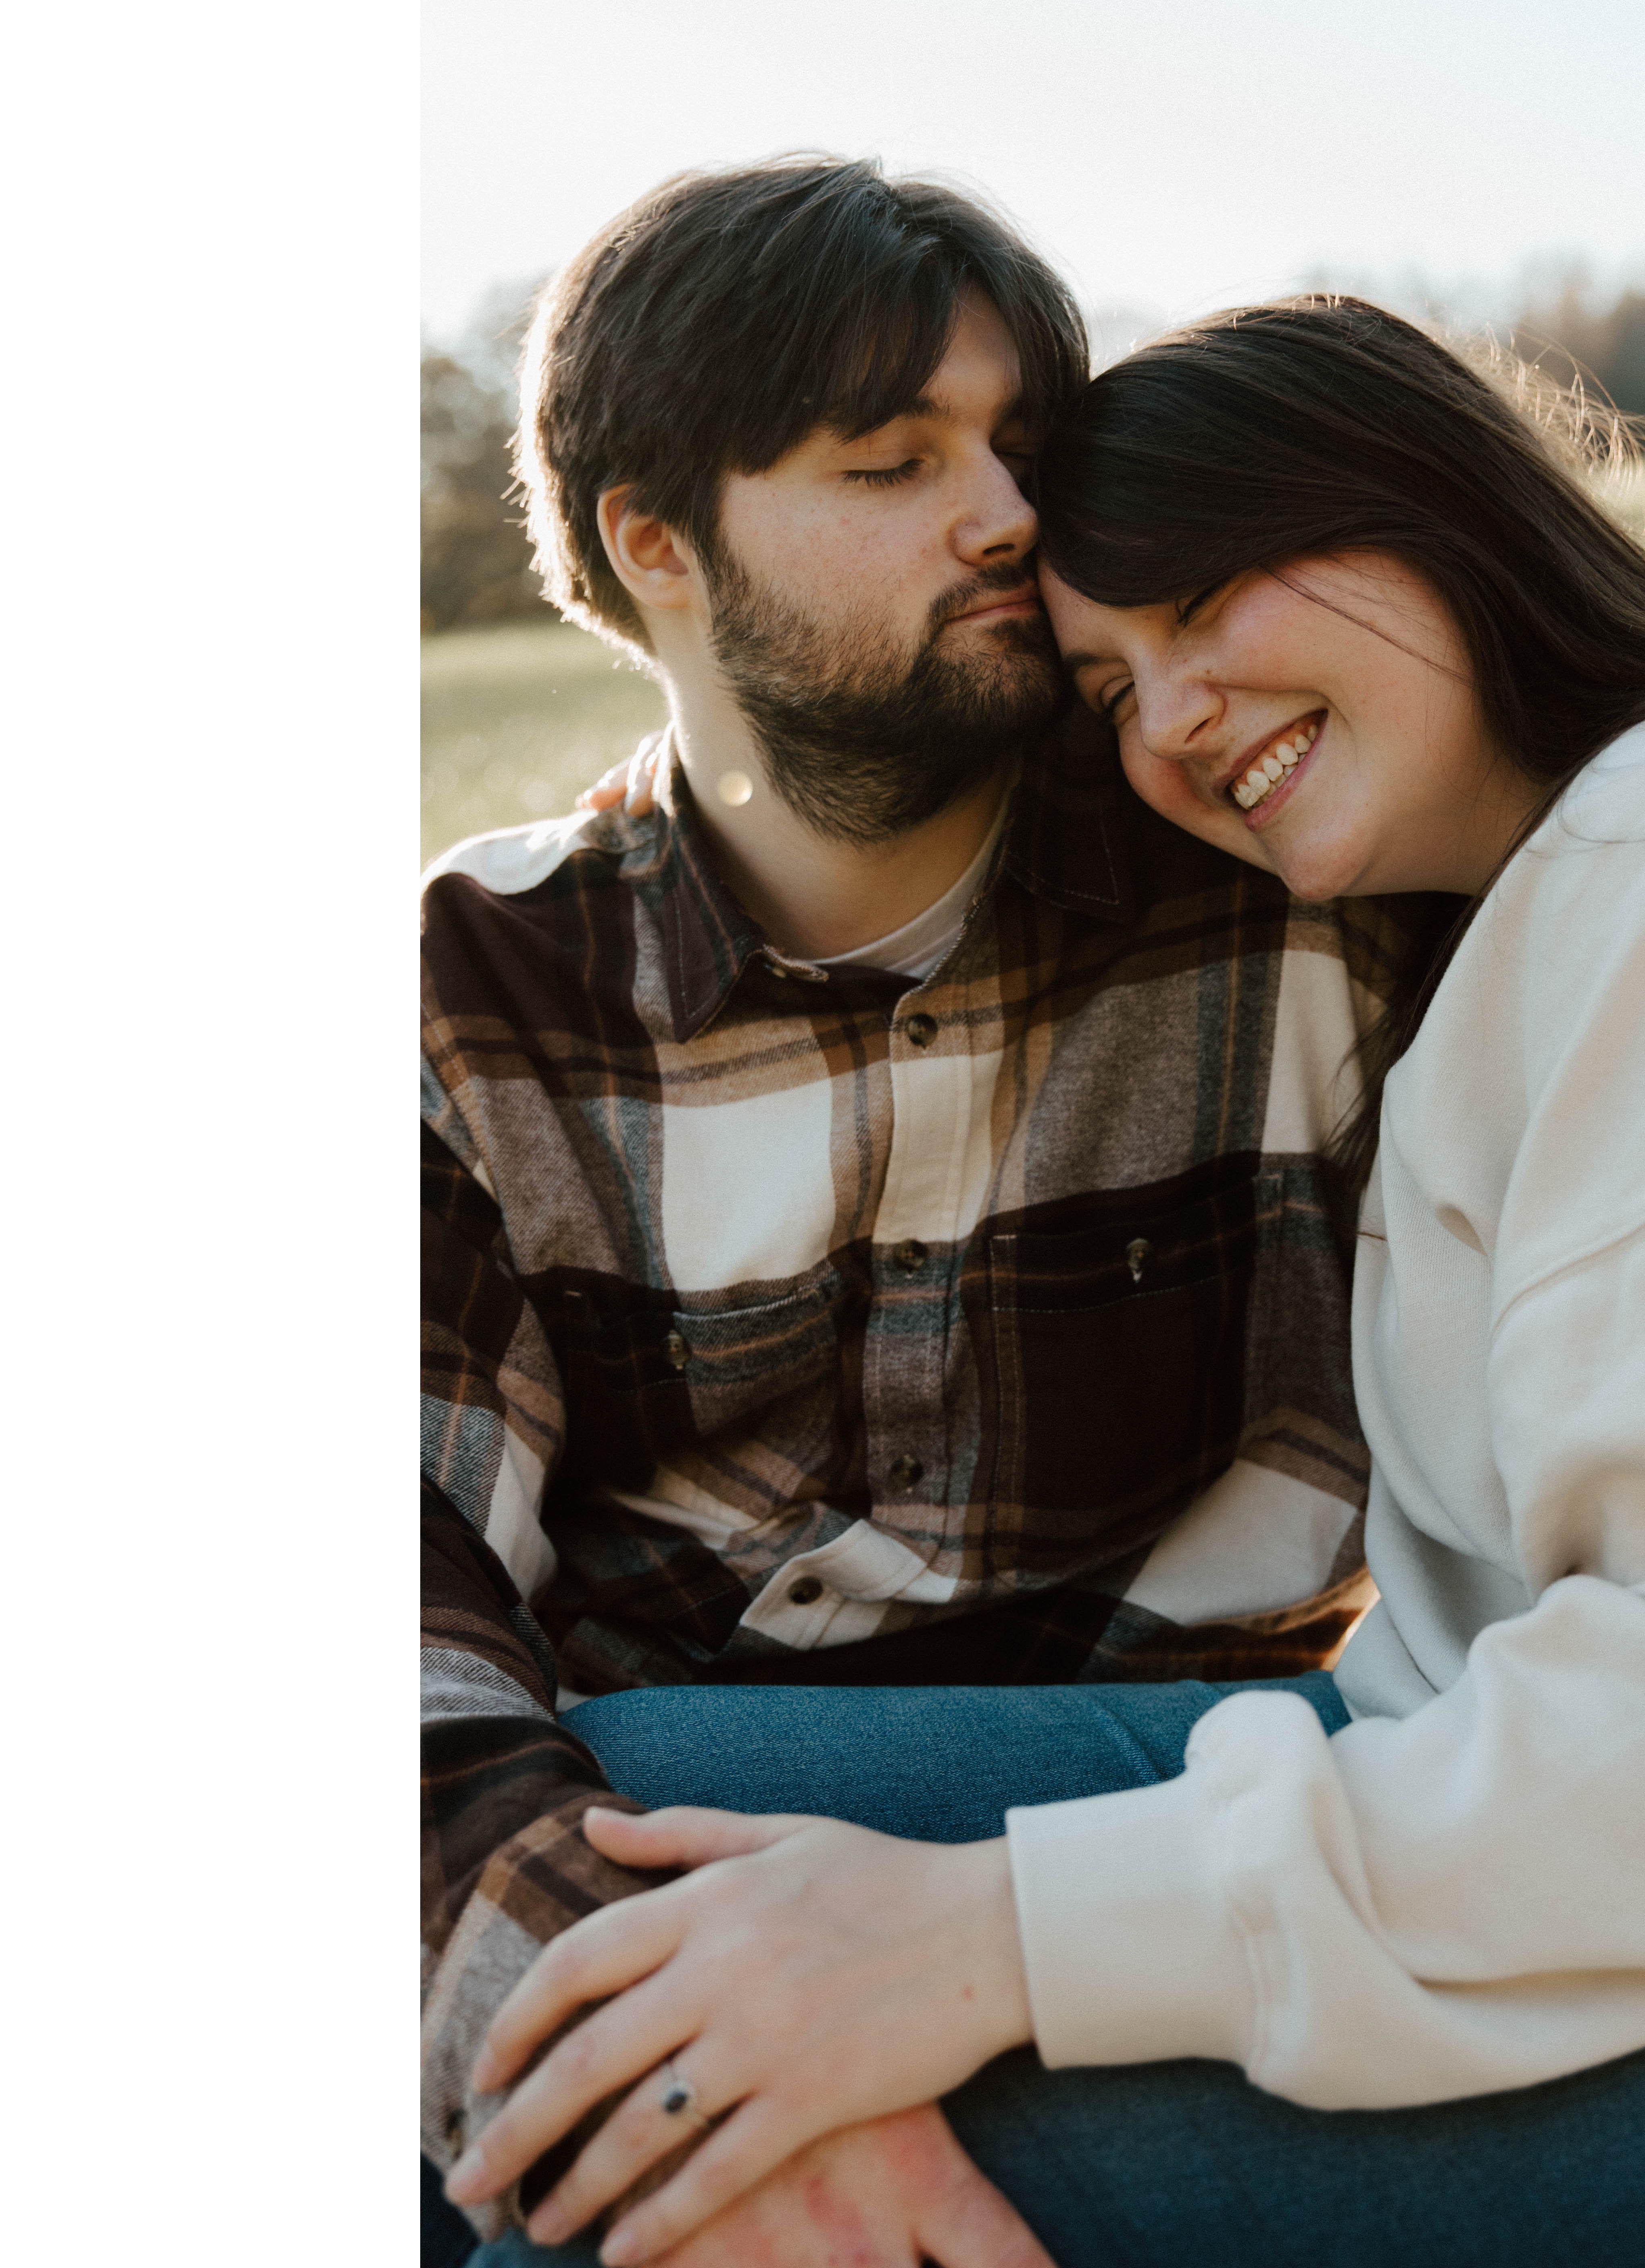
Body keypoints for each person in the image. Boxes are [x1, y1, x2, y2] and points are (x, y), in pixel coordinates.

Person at [440, 296, 1645, 2268]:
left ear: (1427, 507)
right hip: (1502, 1797)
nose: (1174, 722)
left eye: (1206, 603)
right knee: (604, 1865)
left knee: (604, 2143)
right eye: (1107, 684)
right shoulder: (1515, 906)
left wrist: (994, 1940)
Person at [423, 162, 1445, 2265]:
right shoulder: (469, 997)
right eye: (894, 464)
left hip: (1201, 1833)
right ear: (655, 543)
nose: (1004, 518)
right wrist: (695, 2092)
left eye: (1021, 454)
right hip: (665, 1879)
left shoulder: (1287, 881)